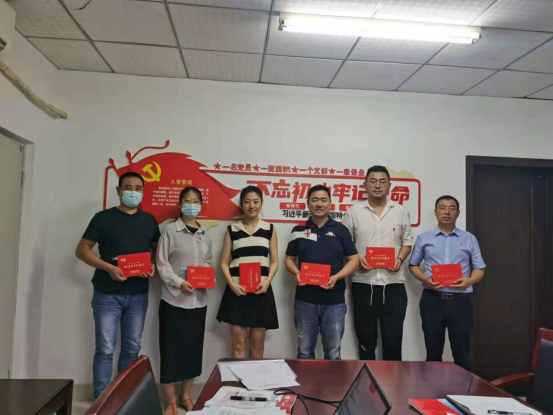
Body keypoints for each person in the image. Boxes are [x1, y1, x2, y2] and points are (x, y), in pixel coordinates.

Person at [75, 171, 159, 399]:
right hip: (107, 294)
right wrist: (109, 268)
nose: (133, 192)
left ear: (143, 192)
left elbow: (156, 252)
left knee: (132, 349)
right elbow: (81, 250)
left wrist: (152, 266)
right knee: (105, 350)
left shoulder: (149, 220)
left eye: (138, 188)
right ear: (119, 191)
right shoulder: (103, 218)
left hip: (138, 295)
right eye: (128, 188)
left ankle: (124, 399)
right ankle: (101, 401)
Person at [343, 165, 414, 361]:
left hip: (393, 285)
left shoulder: (400, 211)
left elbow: (407, 242)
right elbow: (345, 243)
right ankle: (367, 380)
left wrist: (399, 259)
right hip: (363, 284)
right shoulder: (354, 212)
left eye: (382, 181)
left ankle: (392, 381)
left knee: (393, 342)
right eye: (373, 181)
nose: (377, 185)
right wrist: (357, 258)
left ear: (389, 185)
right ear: (365, 184)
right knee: (366, 342)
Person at [409, 195, 486, 370]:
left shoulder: (469, 238)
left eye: (452, 208)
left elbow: (480, 268)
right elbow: (413, 265)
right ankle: (432, 387)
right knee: (433, 352)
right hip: (432, 300)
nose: (447, 212)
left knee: (462, 353)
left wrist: (469, 281)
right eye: (443, 208)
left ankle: (462, 387)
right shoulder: (424, 238)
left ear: (458, 213)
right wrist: (426, 279)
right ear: (435, 212)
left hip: (460, 302)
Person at [285, 185, 359, 360]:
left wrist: (337, 277)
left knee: (333, 353)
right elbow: (289, 259)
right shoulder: (298, 230)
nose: (319, 204)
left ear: (330, 204)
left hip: (334, 302)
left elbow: (354, 260)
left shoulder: (341, 230)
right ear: (308, 203)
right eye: (315, 200)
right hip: (305, 301)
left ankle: (331, 381)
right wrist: (296, 272)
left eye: (323, 200)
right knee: (304, 352)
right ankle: (304, 380)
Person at [156, 186, 212, 415]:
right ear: (180, 205)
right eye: (187, 201)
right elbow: (162, 263)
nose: (192, 204)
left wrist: (206, 278)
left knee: (192, 350)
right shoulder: (170, 230)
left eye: (196, 201)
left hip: (199, 301)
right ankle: (170, 402)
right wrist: (179, 283)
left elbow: (207, 261)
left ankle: (186, 396)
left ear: (201, 205)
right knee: (171, 350)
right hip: (174, 300)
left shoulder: (205, 232)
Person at [216, 186, 279, 358]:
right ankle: (236, 377)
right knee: (239, 343)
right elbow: (223, 263)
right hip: (237, 292)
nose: (252, 206)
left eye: (256, 202)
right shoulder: (232, 230)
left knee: (257, 344)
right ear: (241, 205)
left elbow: (274, 261)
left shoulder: (269, 229)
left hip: (261, 292)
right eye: (247, 202)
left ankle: (254, 377)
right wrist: (232, 285)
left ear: (261, 204)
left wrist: (267, 281)